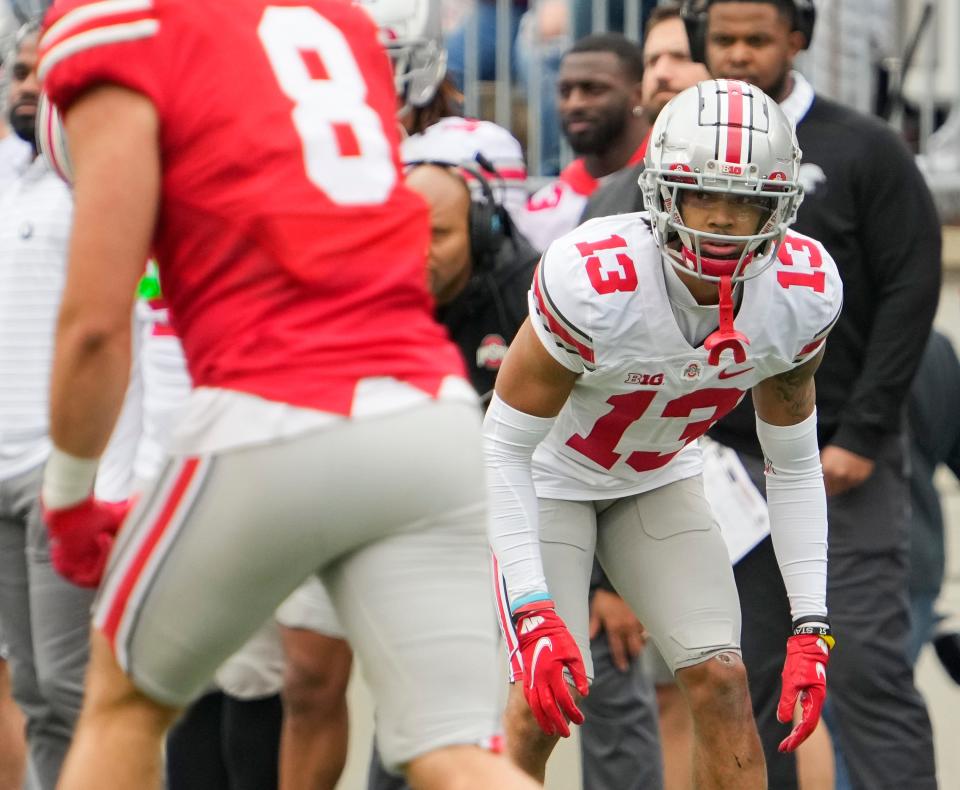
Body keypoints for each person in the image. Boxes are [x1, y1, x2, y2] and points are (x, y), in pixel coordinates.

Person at [36, 2, 538, 789]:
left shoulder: (122, 18)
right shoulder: (334, 19)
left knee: (125, 705)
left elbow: (96, 327)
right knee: (455, 753)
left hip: (273, 406)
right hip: (430, 411)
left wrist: (67, 499)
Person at [486, 78, 841, 788]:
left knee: (724, 681)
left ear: (781, 207)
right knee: (541, 700)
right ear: (661, 191)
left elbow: (794, 465)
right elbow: (505, 444)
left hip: (658, 477)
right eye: (702, 194)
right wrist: (531, 608)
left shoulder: (798, 295)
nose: (719, 222)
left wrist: (811, 624)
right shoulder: (596, 283)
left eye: (744, 203)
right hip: (549, 480)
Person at [698, 2, 941, 788]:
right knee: (751, 679)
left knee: (865, 665)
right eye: (723, 40)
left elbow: (911, 293)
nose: (737, 55)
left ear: (797, 40)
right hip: (733, 464)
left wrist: (863, 436)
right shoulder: (684, 151)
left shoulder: (865, 148)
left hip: (842, 457)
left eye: (756, 39)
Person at [0, 22, 94, 790]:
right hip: (2, 473)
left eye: (42, 69)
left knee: (74, 689)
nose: (28, 84)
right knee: (33, 692)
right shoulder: (9, 178)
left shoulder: (96, 183)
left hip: (59, 472)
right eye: (20, 70)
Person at [514, 32, 648, 252]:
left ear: (638, 95)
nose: (574, 104)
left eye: (593, 89)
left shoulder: (673, 179)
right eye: (565, 92)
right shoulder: (542, 215)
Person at [582, 3, 708, 221]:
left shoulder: (772, 187)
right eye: (651, 61)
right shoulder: (604, 202)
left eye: (681, 57)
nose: (660, 73)